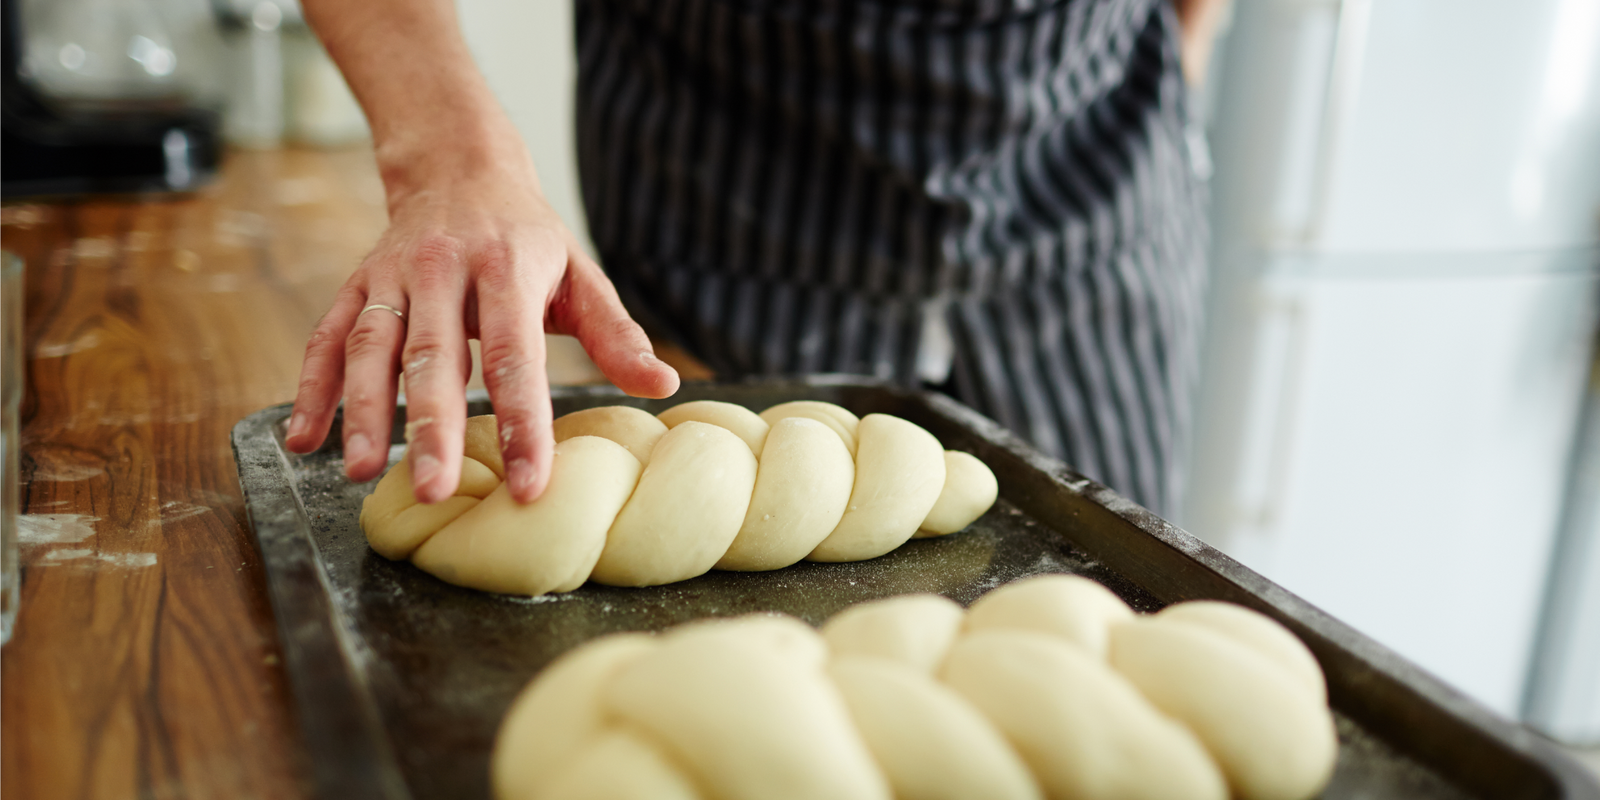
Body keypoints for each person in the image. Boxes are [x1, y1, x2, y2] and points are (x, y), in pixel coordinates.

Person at [284, 0, 1228, 517]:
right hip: (735, 207)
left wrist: (1185, 55)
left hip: (1093, 210)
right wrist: (449, 161)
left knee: (1110, 606)